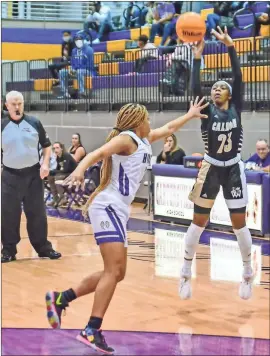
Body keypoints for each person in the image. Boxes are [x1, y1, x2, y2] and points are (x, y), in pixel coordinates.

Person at [45, 99, 208, 354]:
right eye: (146, 118)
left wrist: (189, 115)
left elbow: (168, 129)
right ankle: (91, 329)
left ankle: (62, 298)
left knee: (117, 273)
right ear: (137, 121)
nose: (150, 122)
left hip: (119, 209)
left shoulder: (143, 140)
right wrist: (79, 170)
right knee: (113, 270)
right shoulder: (127, 138)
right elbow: (96, 153)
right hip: (108, 205)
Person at [179, 27, 255, 302]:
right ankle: (185, 271)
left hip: (234, 168)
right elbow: (194, 88)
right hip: (211, 167)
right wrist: (197, 58)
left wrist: (231, 47)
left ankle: (247, 272)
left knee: (239, 224)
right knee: (198, 222)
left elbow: (238, 77)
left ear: (231, 95)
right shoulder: (205, 111)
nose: (215, 90)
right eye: (213, 88)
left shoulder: (238, 106)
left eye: (221, 87)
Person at [1, 91, 61, 263]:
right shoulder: (2, 124)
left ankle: (43, 248)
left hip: (33, 175)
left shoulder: (34, 122)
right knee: (9, 214)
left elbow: (47, 146)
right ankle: (8, 250)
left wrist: (45, 163)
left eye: (20, 103)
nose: (17, 107)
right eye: (13, 104)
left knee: (37, 213)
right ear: (7, 105)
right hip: (10, 176)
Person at [59, 34, 94, 99]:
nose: (78, 41)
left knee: (79, 71)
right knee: (62, 72)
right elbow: (72, 63)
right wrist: (72, 69)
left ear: (83, 40)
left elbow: (90, 65)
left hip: (88, 71)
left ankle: (82, 92)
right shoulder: (74, 51)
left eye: (79, 40)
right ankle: (65, 93)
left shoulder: (89, 50)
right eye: (76, 40)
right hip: (76, 71)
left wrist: (78, 69)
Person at [47, 142, 77, 207]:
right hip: (66, 174)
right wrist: (51, 172)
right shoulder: (58, 157)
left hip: (73, 174)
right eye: (54, 148)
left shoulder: (66, 155)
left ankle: (63, 198)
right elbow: (58, 169)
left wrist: (55, 171)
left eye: (57, 148)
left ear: (61, 149)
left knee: (57, 177)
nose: (55, 150)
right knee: (50, 177)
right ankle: (56, 199)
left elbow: (66, 170)